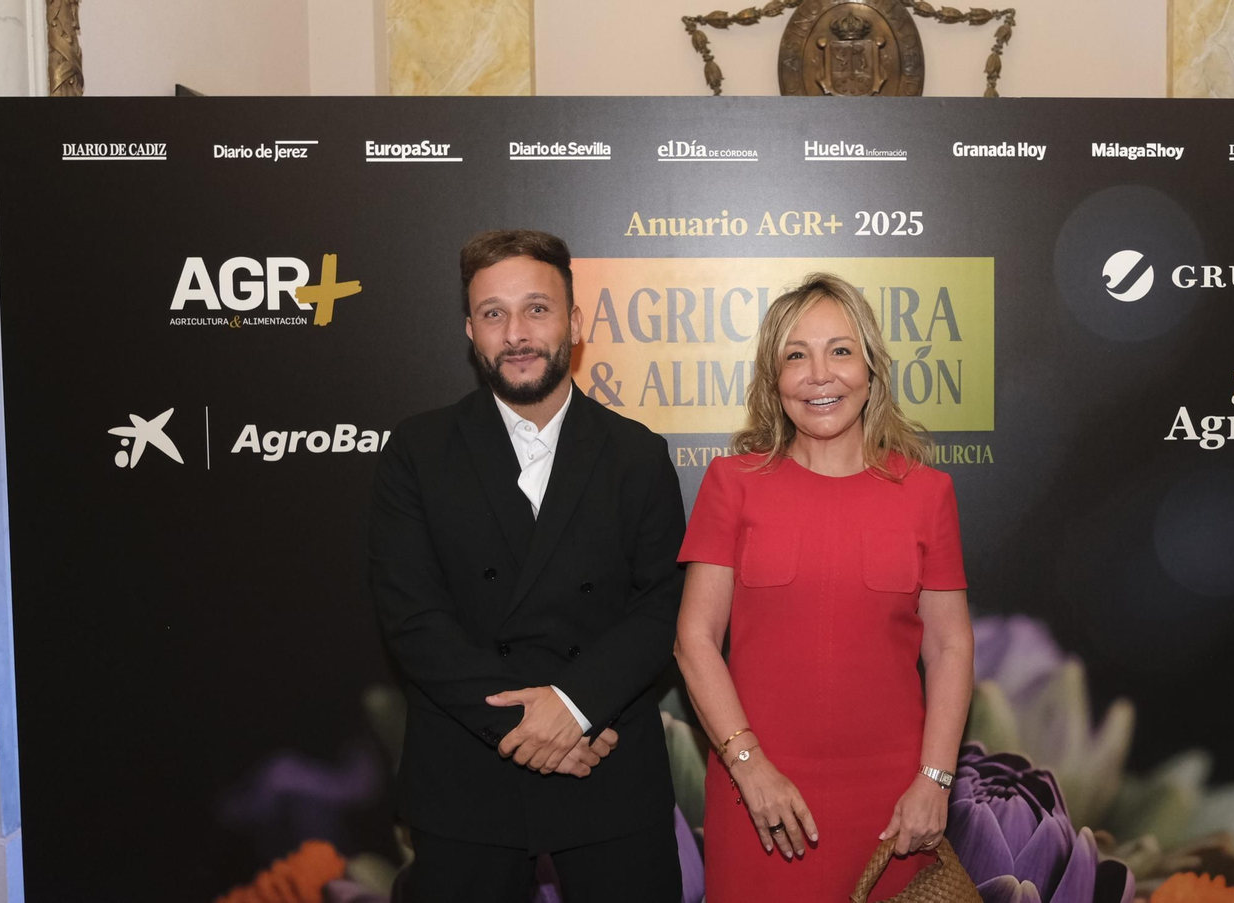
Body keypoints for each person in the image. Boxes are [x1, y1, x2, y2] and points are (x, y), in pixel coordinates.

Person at [368, 229, 685, 903]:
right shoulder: (417, 453)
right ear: (470, 330)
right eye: (493, 313)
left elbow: (662, 606)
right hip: (467, 770)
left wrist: (573, 708)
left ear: (575, 321)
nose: (515, 333)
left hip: (607, 764)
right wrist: (531, 728)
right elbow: (414, 617)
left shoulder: (637, 454)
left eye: (536, 309)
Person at [674, 273, 975, 901]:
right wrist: (750, 769)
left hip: (896, 809)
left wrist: (935, 780)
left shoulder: (927, 494)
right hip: (759, 800)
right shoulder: (734, 483)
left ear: (870, 368)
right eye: (795, 355)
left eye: (839, 350)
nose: (819, 374)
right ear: (773, 379)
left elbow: (949, 647)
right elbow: (694, 641)